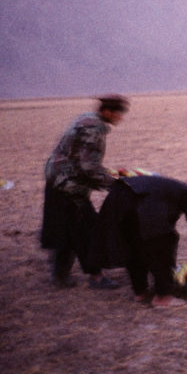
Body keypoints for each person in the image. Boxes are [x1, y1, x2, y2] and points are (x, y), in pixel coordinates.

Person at [91, 176, 187, 308]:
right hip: (127, 199)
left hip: (119, 196)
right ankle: (163, 296)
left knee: (135, 242)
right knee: (165, 241)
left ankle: (140, 291)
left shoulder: (169, 189)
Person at [41, 94, 129, 289]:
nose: (119, 119)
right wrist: (115, 184)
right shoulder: (94, 127)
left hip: (57, 181)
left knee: (67, 229)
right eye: (118, 114)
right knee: (87, 229)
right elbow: (88, 166)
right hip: (68, 185)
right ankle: (96, 276)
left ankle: (60, 275)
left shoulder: (86, 119)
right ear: (107, 112)